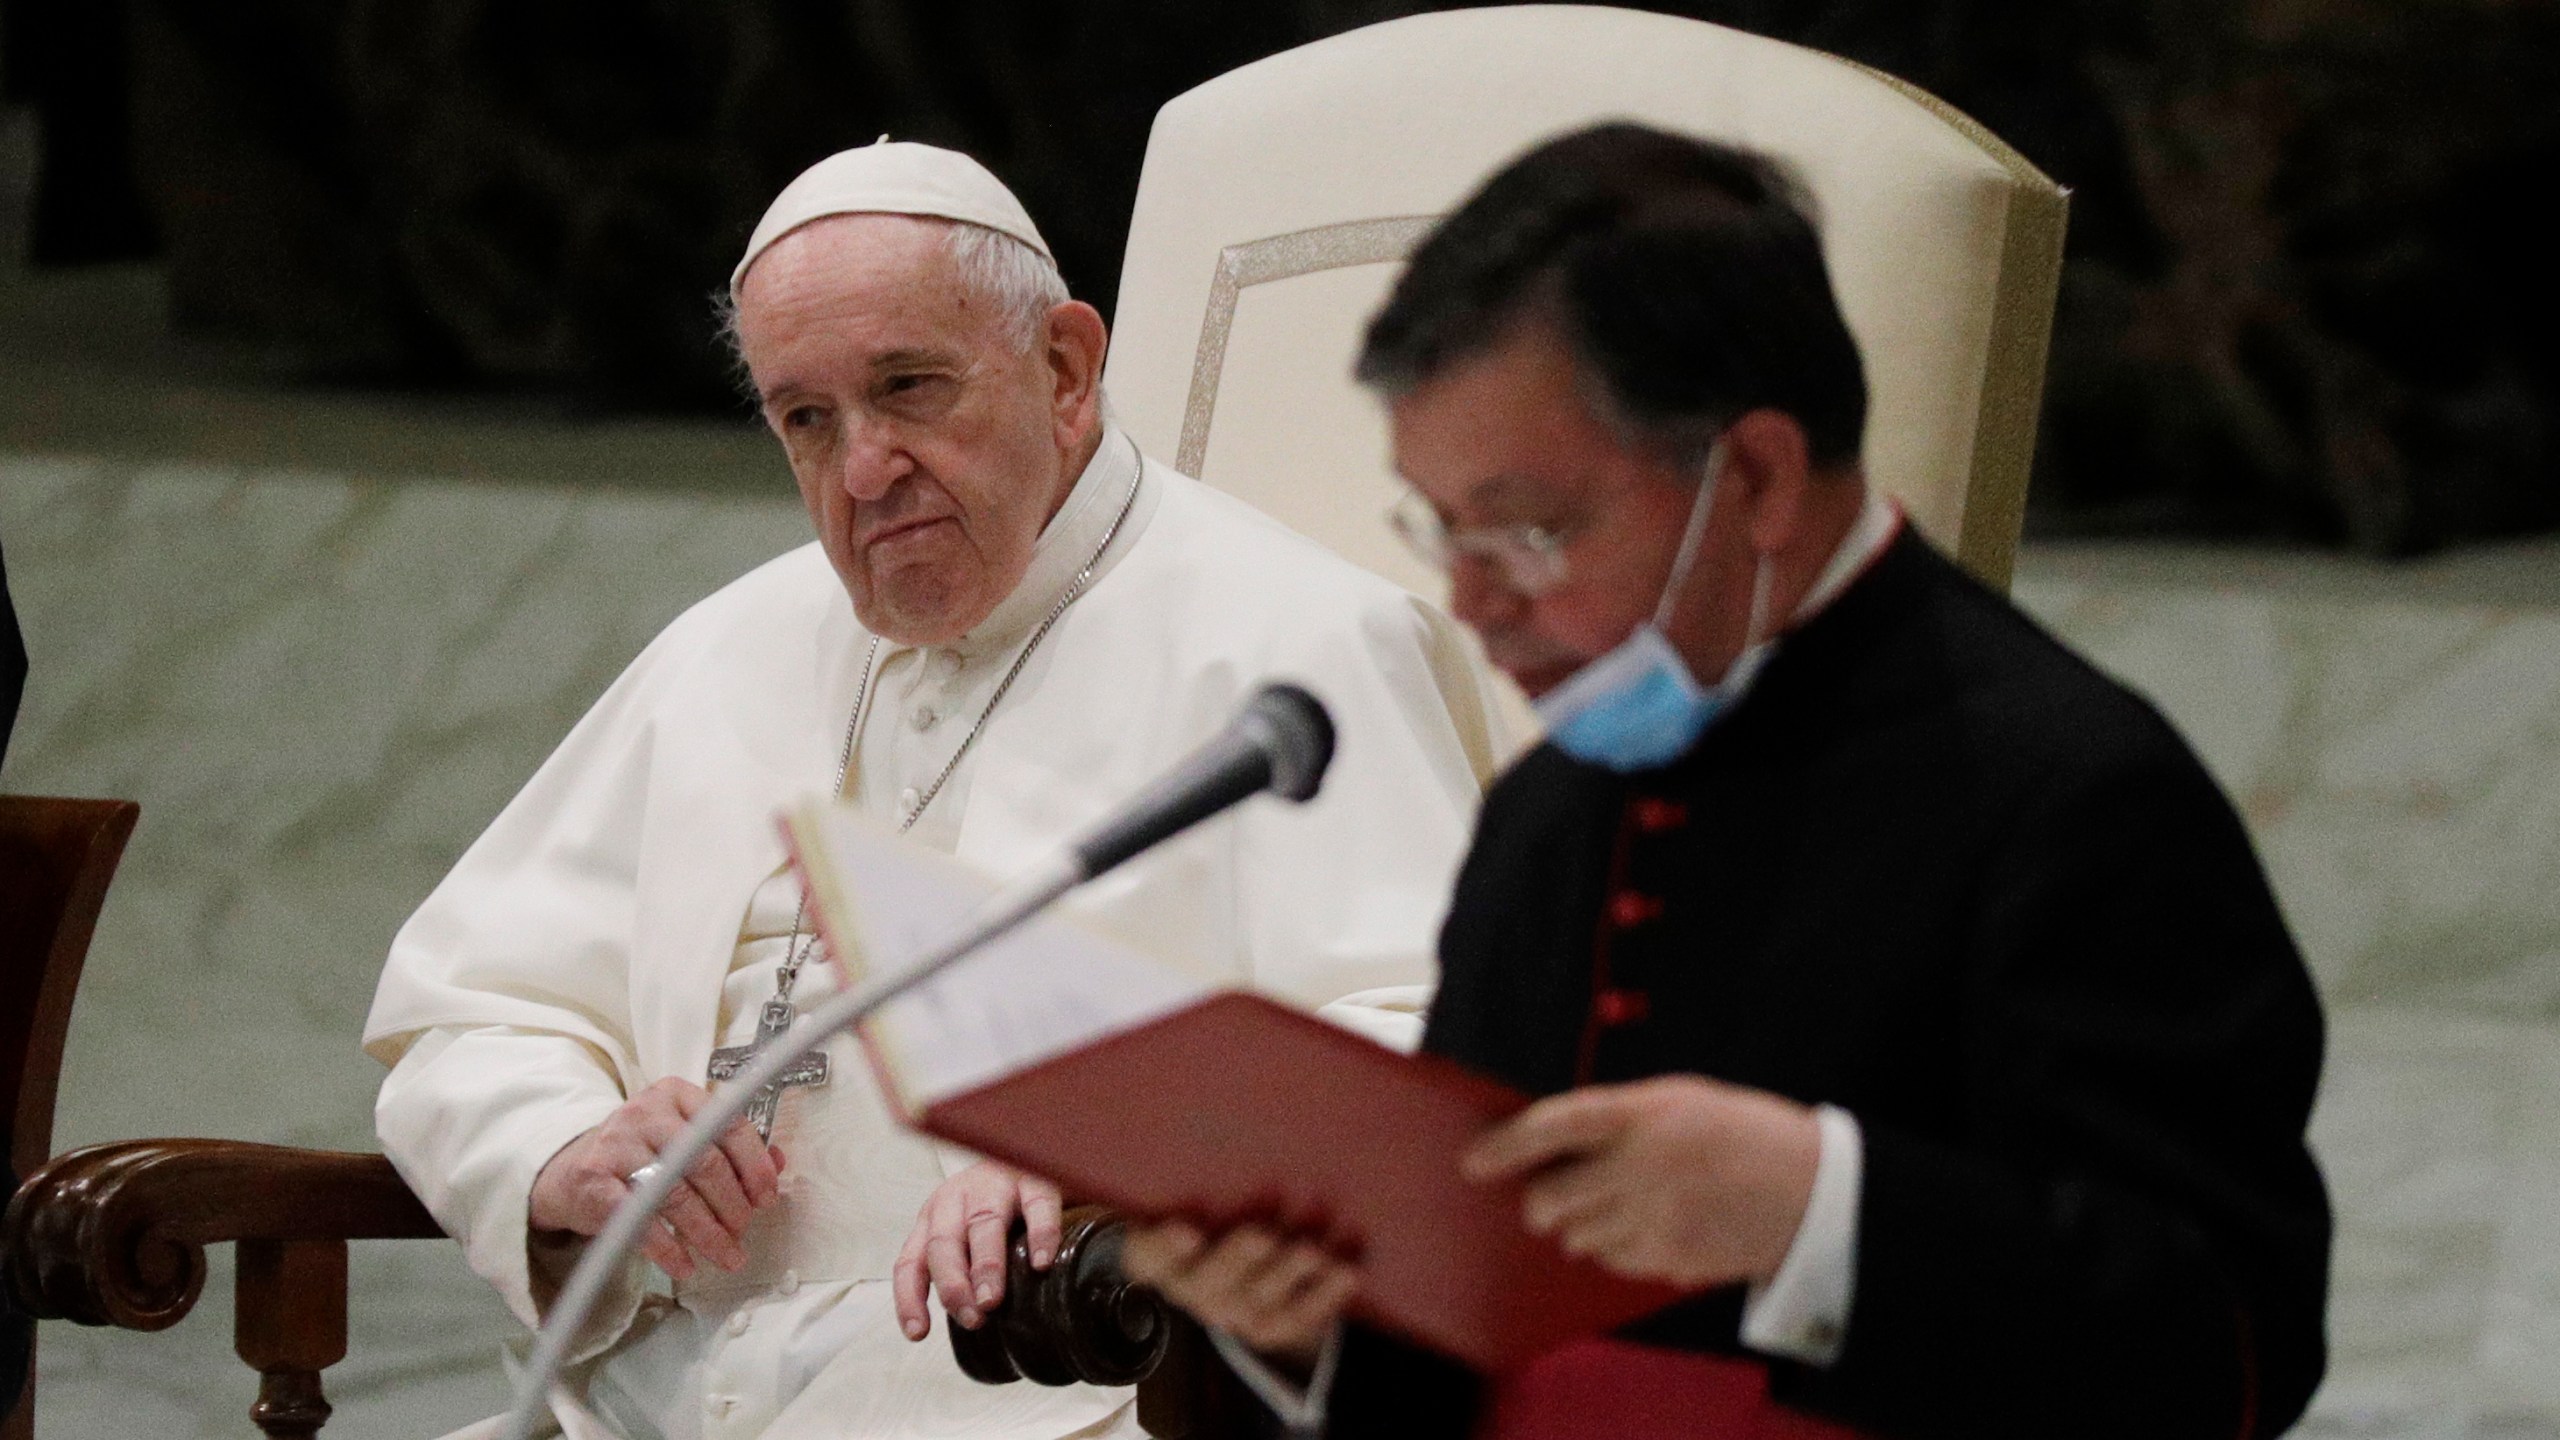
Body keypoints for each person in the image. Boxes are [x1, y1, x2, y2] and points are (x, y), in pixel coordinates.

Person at [1123, 122, 2332, 1440]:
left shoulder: (2075, 793)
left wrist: (1818, 1209)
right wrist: (1306, 1334)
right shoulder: (1550, 816)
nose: (1471, 603)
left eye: (1528, 530)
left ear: (1753, 475)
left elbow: (2229, 1350)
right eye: (1440, 527)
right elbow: (1458, 1336)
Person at [365, 141, 1505, 1440]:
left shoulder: (1298, 652)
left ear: (1067, 372)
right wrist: (561, 1147)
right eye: (808, 420)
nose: (862, 472)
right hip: (643, 1405)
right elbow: (471, 1006)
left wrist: (1117, 1153)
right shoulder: (723, 652)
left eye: (909, 390)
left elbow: (1437, 1048)